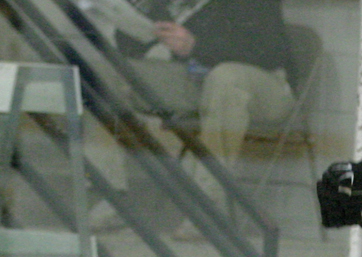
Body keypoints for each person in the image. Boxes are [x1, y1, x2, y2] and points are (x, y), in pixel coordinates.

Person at [88, 0, 296, 236]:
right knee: (107, 73)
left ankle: (210, 206)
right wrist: (143, 26)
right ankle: (110, 197)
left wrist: (195, 45)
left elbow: (268, 52)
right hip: (200, 80)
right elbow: (133, 50)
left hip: (265, 84)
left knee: (225, 78)